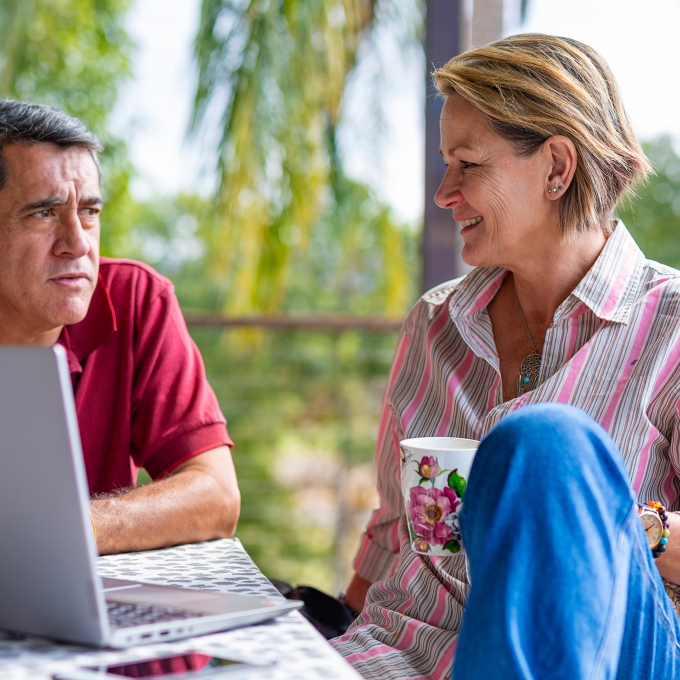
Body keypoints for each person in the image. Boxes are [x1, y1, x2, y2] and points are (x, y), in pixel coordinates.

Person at [331, 33, 680, 678]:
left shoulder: (673, 326)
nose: (444, 192)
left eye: (468, 165)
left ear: (556, 167)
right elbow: (393, 539)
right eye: (445, 165)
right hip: (407, 655)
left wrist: (589, 514)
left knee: (545, 446)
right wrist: (317, 632)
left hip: (611, 650)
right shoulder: (435, 324)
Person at [0, 100, 240, 555]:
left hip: (79, 603)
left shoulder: (135, 299)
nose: (77, 244)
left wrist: (70, 529)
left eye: (89, 212)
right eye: (44, 213)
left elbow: (217, 495)